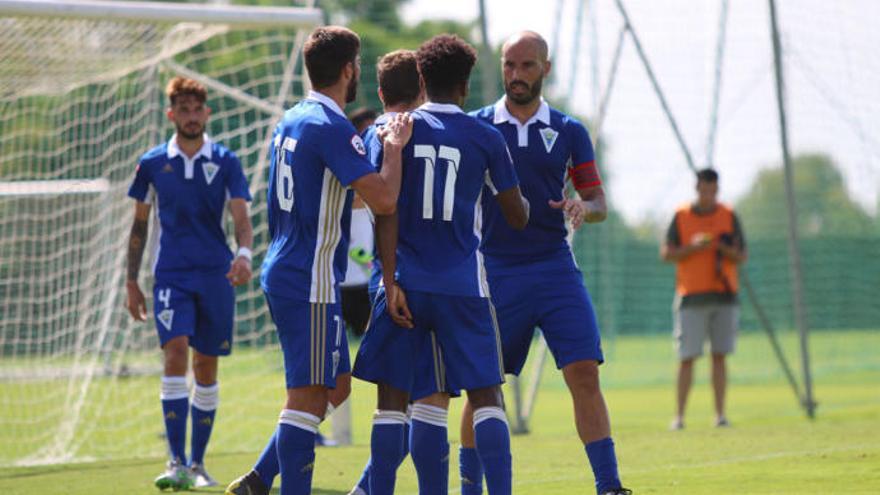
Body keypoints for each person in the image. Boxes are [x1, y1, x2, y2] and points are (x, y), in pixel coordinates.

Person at [224, 26, 413, 495]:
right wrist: (393, 146)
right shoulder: (333, 128)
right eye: (358, 67)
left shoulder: (293, 118)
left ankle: (260, 478)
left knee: (336, 386)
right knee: (307, 397)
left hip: (295, 272)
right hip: (308, 281)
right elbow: (385, 199)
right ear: (348, 70)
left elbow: (325, 194)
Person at [352, 34, 530, 495]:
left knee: (393, 402)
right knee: (486, 395)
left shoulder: (390, 130)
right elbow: (517, 216)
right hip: (463, 288)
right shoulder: (485, 136)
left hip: (404, 284)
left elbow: (383, 210)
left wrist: (389, 281)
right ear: (466, 84)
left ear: (422, 79)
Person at [465, 31, 630, 495]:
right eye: (509, 66)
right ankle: (468, 485)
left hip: (555, 268)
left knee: (584, 372)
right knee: (483, 387)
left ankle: (609, 485)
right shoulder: (478, 127)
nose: (516, 75)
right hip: (494, 270)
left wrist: (584, 207)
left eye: (527, 66)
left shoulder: (570, 131)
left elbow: (598, 200)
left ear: (546, 69)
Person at [125, 76, 254, 491]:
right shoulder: (151, 163)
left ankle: (198, 465)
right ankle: (175, 462)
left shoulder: (227, 160)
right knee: (175, 352)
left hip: (215, 275)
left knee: (206, 365)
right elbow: (139, 228)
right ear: (172, 114)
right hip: (171, 277)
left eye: (198, 109)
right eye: (184, 109)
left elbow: (241, 221)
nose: (192, 116)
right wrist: (131, 280)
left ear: (207, 114)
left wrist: (244, 256)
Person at [348, 48, 439, 495]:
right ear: (423, 86)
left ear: (381, 92)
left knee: (390, 404)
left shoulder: (374, 135)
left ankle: (370, 489)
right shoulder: (444, 132)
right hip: (445, 281)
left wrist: (387, 275)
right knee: (434, 402)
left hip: (388, 278)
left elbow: (368, 201)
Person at [661, 168, 747, 430]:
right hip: (690, 297)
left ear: (717, 190)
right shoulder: (681, 215)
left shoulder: (729, 215)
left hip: (724, 296)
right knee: (687, 357)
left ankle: (720, 415)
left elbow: (741, 256)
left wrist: (721, 247)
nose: (708, 195)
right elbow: (666, 254)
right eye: (703, 189)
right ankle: (679, 417)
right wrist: (694, 247)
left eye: (713, 190)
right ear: (696, 188)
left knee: (719, 356)